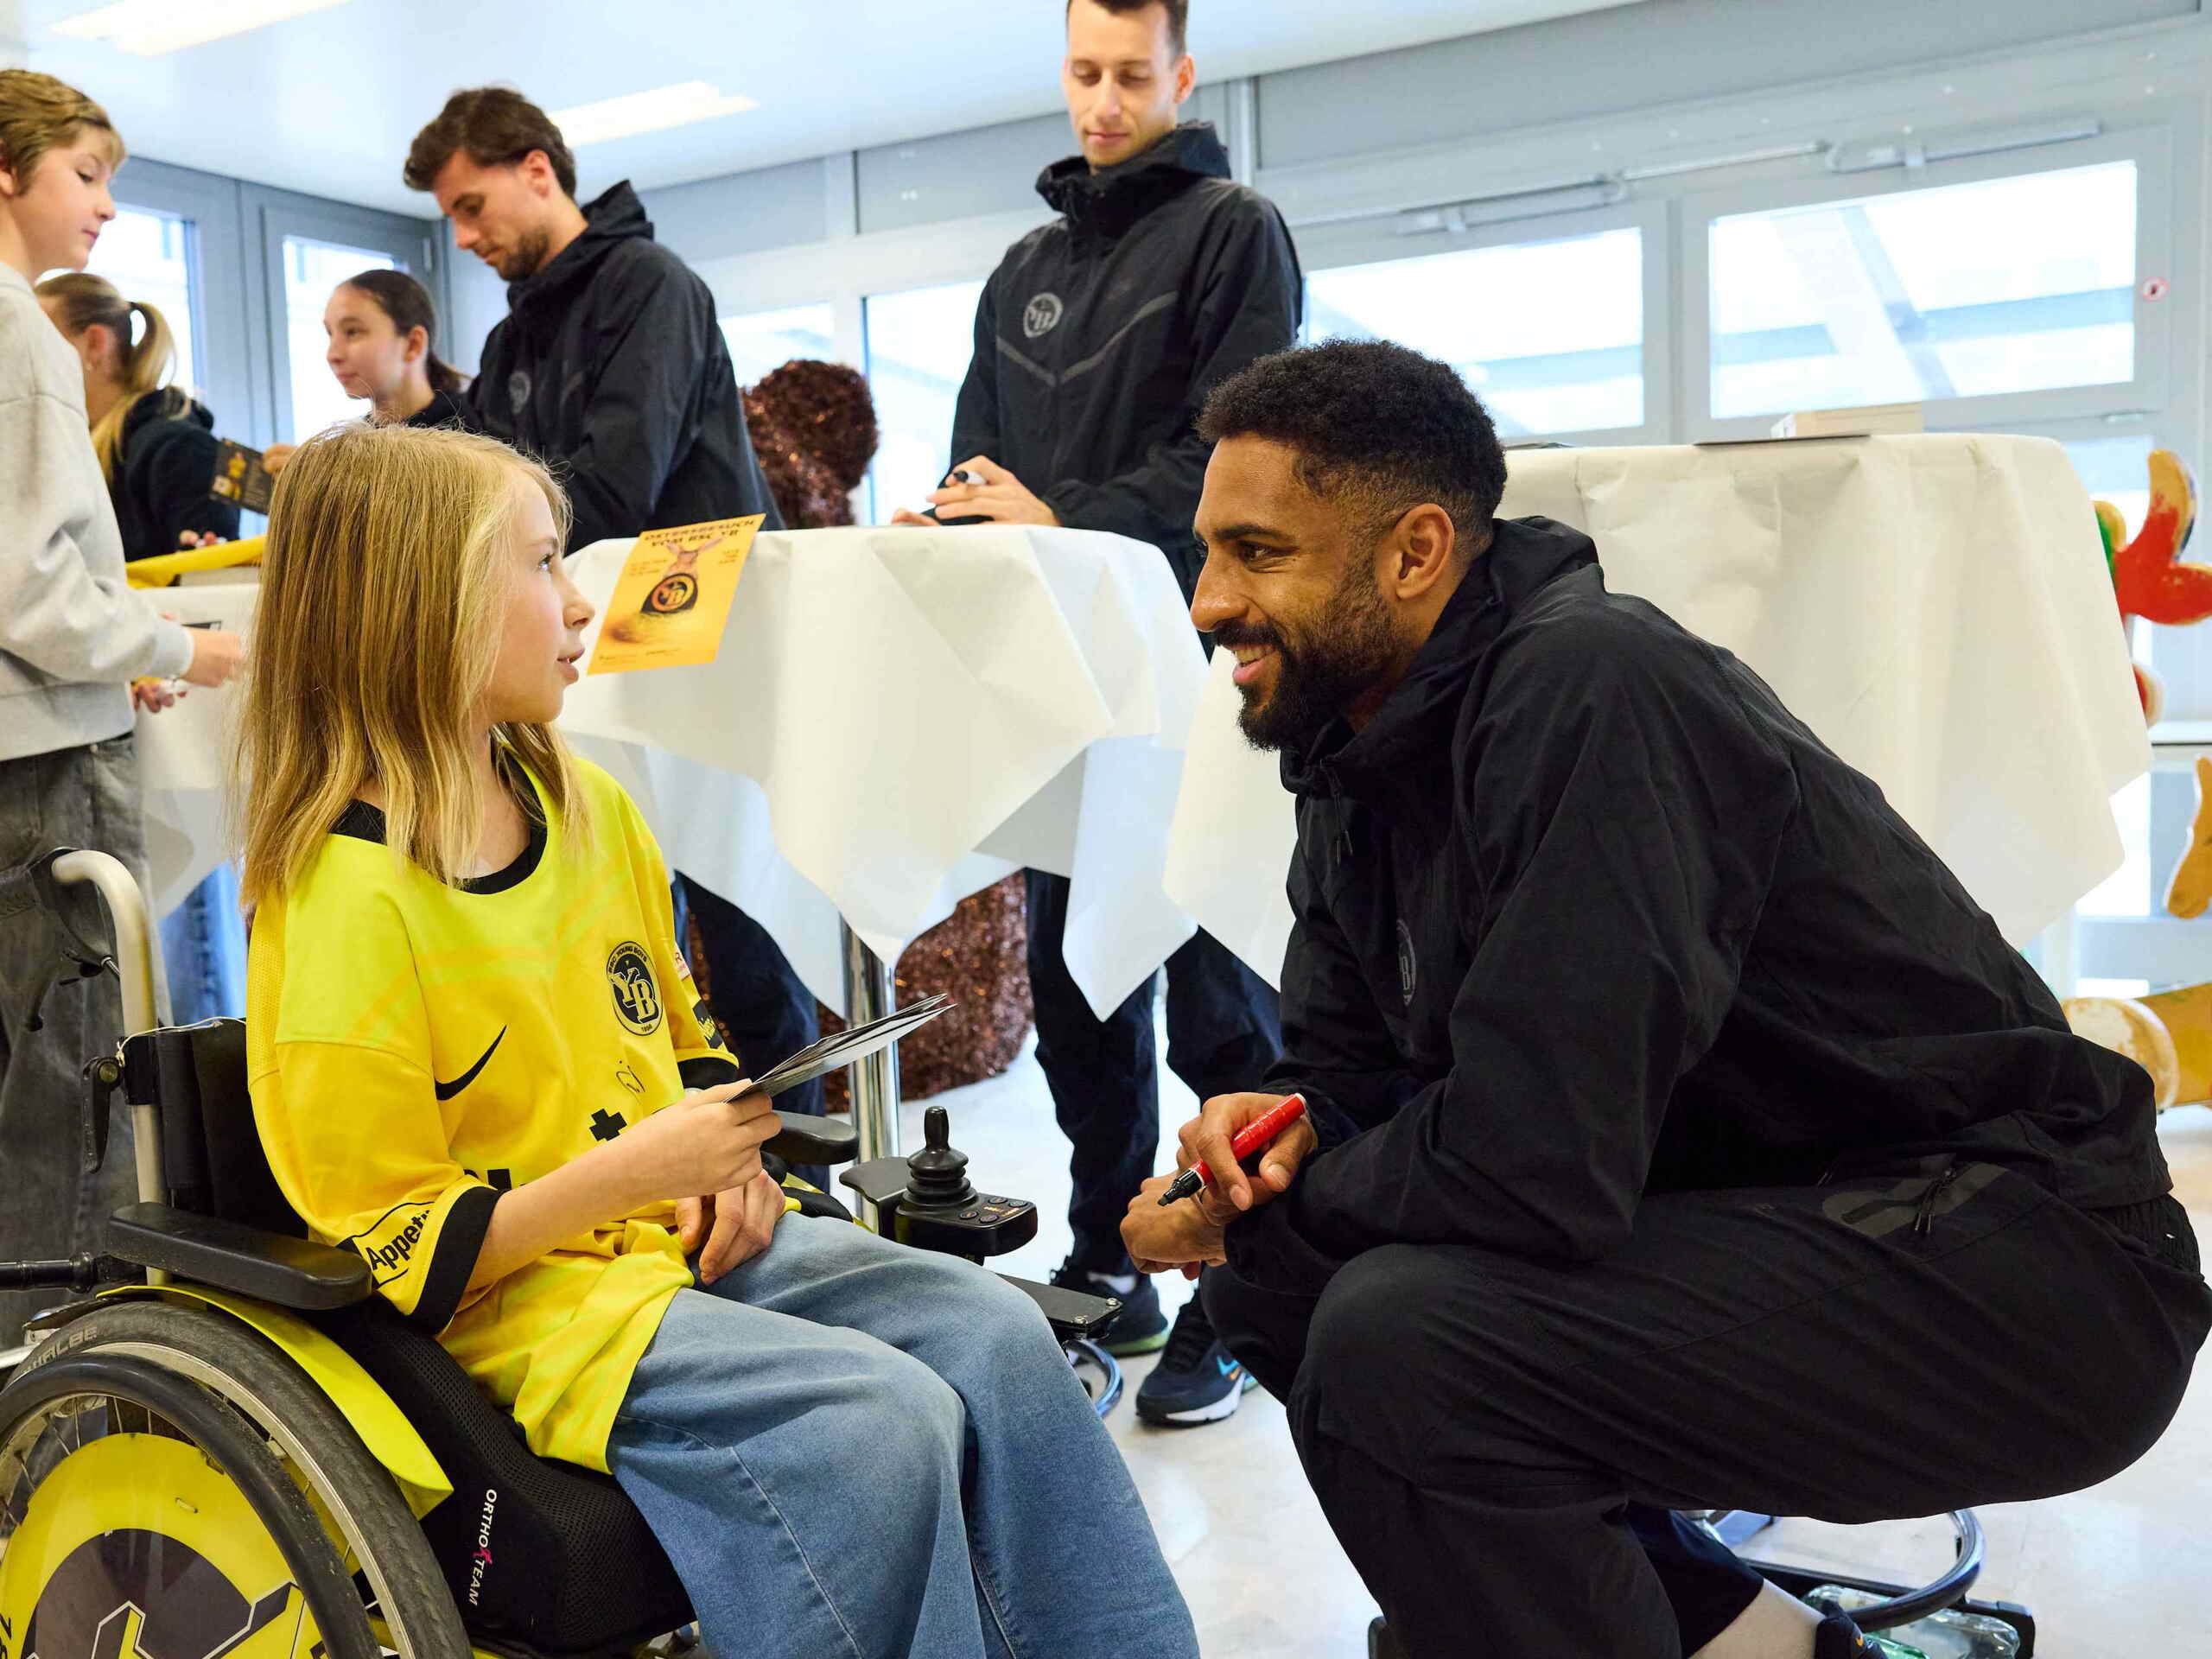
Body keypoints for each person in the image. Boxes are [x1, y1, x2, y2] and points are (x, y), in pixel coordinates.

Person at [1120, 340, 2212, 1659]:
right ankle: (1764, 1647)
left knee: (1397, 1340)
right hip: (1789, 1212)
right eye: (1207, 552)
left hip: (2027, 1267)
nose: (1208, 602)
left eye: (1258, 552)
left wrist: (1278, 1215)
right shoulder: (1358, 755)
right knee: (1290, 1299)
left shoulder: (1594, 689)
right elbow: (1359, 1082)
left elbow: (1535, 1165)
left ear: (1414, 552)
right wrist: (1272, 1146)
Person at [238, 421, 1198, 1658]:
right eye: (540, 568)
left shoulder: (590, 811)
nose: (581, 606)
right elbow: (387, 1247)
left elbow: (677, 1041)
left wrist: (733, 1163)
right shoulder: (342, 900)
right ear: (419, 608)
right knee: (879, 1419)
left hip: (673, 1243)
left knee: (996, 1332)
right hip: (535, 1311)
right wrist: (634, 1175)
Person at [894, 0, 1301, 1426]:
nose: (1105, 101)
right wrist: (954, 515)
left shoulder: (1234, 231)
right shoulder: (1022, 268)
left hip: (1190, 670)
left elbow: (1238, 451)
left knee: (1216, 1000)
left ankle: (1249, 1291)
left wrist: (1064, 518)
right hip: (1051, 680)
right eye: (1084, 73)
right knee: (1079, 986)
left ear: (1182, 78)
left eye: (1133, 75)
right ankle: (1105, 1259)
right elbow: (975, 450)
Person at [404, 86, 823, 1135]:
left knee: (739, 922)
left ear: (537, 169)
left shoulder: (653, 287)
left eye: (471, 204)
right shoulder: (510, 345)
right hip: (589, 658)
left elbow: (619, 483)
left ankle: (796, 1178)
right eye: (451, 217)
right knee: (628, 928)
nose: (464, 236)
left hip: (701, 645)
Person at [0, 69, 244, 1344]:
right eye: (85, 175)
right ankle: (69, 1356)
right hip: (47, 762)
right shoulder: (22, 337)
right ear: (9, 172)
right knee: (77, 1071)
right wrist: (176, 644)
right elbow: (31, 586)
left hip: (41, 724)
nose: (101, 208)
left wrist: (113, 646)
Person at [36, 271, 247, 1029]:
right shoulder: (85, 449)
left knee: (188, 918)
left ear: (93, 346)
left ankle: (202, 1125)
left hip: (176, 698)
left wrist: (157, 644)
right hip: (133, 688)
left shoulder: (167, 443)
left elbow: (210, 570)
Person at [35, 274, 238, 559]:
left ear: (95, 343)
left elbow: (209, 580)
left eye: (37, 340)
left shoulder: (180, 447)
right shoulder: (77, 442)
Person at [263, 269, 471, 477]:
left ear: (413, 344)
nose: (332, 354)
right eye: (330, 333)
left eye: (352, 332)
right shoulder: (351, 445)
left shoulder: (471, 440)